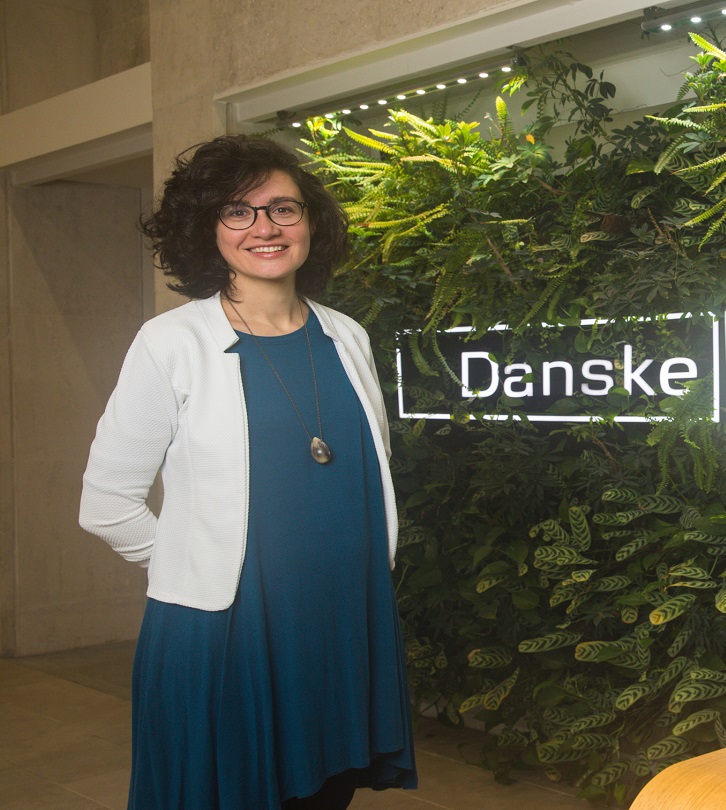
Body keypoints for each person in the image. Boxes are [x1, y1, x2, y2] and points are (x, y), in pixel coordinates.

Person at [79, 135, 417, 808]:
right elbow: (106, 503)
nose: (265, 227)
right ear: (207, 230)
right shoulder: (173, 343)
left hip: (342, 624)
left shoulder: (348, 336)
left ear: (310, 224)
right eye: (238, 211)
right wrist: (197, 567)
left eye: (282, 209)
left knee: (327, 793)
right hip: (227, 631)